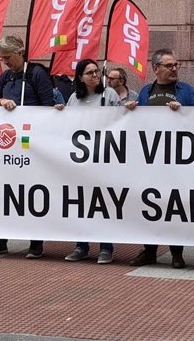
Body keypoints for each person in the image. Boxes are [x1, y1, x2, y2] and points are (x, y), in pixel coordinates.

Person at [0, 36, 55, 259]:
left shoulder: (37, 74)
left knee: (33, 191)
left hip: (31, 142)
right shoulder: (6, 76)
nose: (5, 63)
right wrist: (2, 100)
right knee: (6, 191)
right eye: (2, 59)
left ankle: (36, 241)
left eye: (8, 58)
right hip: (9, 145)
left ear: (20, 52)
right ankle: (1, 239)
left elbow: (48, 106)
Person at [126, 48, 194, 269]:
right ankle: (149, 251)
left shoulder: (186, 91)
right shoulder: (146, 91)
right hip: (151, 159)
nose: (174, 69)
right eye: (169, 65)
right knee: (149, 205)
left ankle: (177, 252)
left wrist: (184, 111)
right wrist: (131, 110)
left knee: (175, 206)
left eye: (176, 65)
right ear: (155, 68)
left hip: (177, 159)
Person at [61, 59, 120, 263]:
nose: (95, 76)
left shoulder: (109, 95)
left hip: (104, 159)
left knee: (102, 203)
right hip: (81, 162)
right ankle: (81, 245)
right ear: (80, 77)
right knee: (81, 203)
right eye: (90, 73)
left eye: (96, 72)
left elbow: (121, 122)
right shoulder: (74, 99)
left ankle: (106, 247)